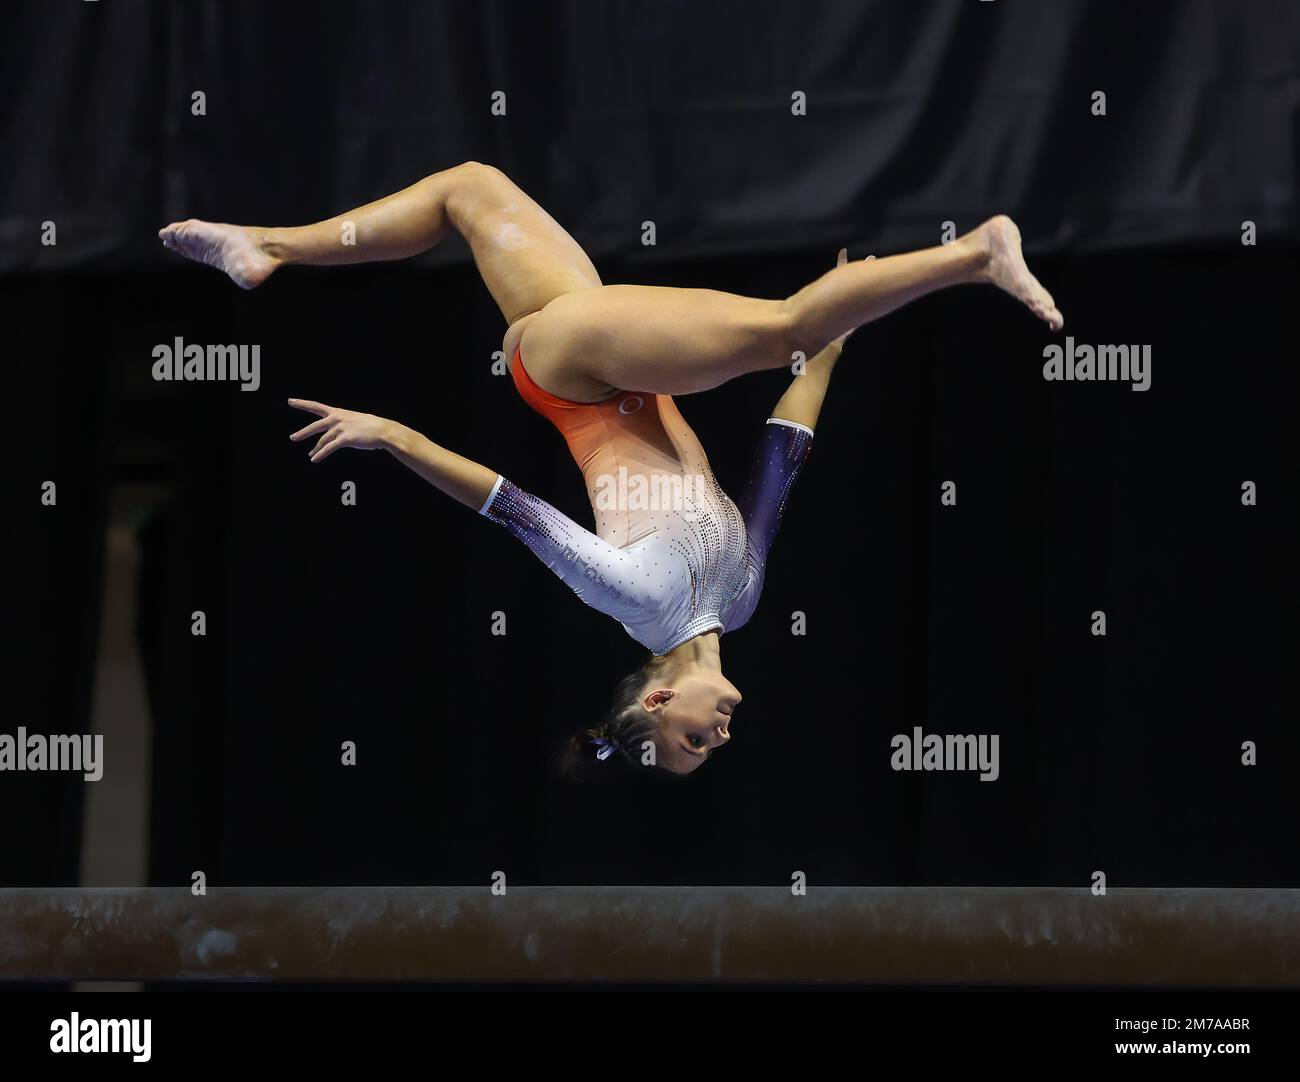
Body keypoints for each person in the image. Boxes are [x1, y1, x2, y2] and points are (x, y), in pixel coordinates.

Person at [159, 161, 1062, 776]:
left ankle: (976, 251)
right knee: (469, 189)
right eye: (707, 749)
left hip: (577, 375)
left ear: (659, 696)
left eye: (690, 742)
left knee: (784, 324)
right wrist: (830, 351)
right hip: (588, 359)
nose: (717, 738)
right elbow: (781, 461)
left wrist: (392, 435)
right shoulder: (738, 600)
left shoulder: (633, 600)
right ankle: (269, 245)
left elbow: (510, 507)